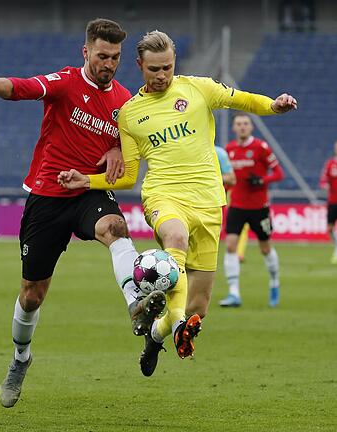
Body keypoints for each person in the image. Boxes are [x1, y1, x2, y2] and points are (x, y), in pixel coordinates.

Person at [0, 19, 166, 408]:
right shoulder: (65, 82)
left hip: (88, 190)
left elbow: (130, 150)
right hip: (49, 195)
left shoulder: (126, 103)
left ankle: (136, 301)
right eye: (102, 56)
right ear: (86, 52)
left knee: (115, 227)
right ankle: (20, 359)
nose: (108, 64)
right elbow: (22, 87)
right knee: (32, 295)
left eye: (115, 57)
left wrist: (117, 149)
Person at [58, 30, 297, 376]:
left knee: (198, 305)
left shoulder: (198, 88)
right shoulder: (130, 114)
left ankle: (155, 336)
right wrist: (87, 180)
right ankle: (180, 325)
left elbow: (242, 100)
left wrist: (272, 106)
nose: (161, 75)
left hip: (209, 203)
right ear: (139, 65)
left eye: (167, 67)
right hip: (164, 196)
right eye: (154, 69)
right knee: (175, 239)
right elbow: (127, 176)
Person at [219, 113, 284, 308]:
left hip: (259, 207)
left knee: (265, 248)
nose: (242, 127)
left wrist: (262, 181)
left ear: (251, 127)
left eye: (245, 124)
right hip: (237, 206)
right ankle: (234, 293)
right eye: (238, 124)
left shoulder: (261, 148)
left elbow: (279, 173)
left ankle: (274, 282)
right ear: (233, 128)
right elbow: (228, 180)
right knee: (230, 246)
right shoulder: (228, 150)